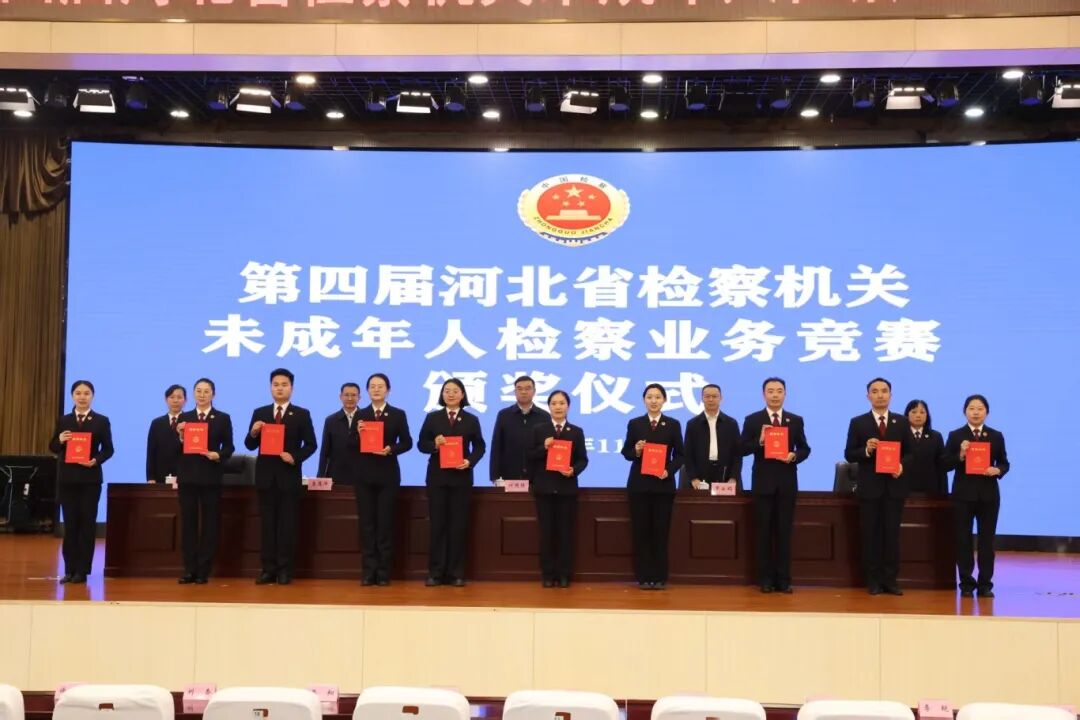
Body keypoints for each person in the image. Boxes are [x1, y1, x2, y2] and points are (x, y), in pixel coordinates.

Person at [243, 368, 317, 585]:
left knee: (287, 526)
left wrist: (294, 457)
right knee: (267, 526)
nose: (279, 388)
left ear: (291, 388)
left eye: (284, 385)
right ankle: (268, 570)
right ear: (270, 387)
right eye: (276, 384)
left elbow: (311, 444)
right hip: (266, 478)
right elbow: (249, 445)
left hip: (288, 478)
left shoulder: (301, 414)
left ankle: (285, 570)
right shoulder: (260, 412)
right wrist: (253, 432)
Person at [844, 377, 913, 596]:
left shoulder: (902, 422)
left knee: (892, 536)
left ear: (891, 395)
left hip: (894, 487)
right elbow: (849, 453)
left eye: (884, 391)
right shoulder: (858, 422)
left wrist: (901, 465)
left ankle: (890, 580)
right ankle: (873, 580)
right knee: (871, 536)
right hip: (870, 489)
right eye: (875, 391)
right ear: (868, 396)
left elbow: (911, 453)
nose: (880, 395)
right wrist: (866, 450)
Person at [741, 377, 811, 594]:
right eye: (770, 391)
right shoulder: (753, 420)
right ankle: (765, 579)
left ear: (785, 394)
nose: (775, 395)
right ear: (764, 394)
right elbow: (741, 449)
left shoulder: (795, 420)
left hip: (787, 483)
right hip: (763, 484)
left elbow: (805, 448)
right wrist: (760, 441)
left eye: (779, 391)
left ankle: (783, 580)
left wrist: (794, 456)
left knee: (783, 533)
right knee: (763, 532)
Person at [417, 378, 486, 587]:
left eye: (455, 391)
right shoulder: (432, 418)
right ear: (442, 394)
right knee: (437, 525)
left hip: (461, 478)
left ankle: (456, 573)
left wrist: (470, 461)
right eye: (447, 390)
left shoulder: (471, 420)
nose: (451, 394)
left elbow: (480, 447)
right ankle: (435, 573)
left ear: (462, 394)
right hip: (437, 478)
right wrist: (434, 445)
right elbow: (421, 444)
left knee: (458, 526)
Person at [48, 380, 114, 584]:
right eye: (78, 393)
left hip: (90, 481)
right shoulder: (64, 420)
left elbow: (109, 449)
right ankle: (69, 569)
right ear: (72, 396)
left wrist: (96, 460)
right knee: (70, 525)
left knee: (86, 525)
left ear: (92, 396)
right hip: (67, 480)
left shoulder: (101, 421)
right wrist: (60, 440)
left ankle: (82, 570)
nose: (82, 397)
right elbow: (53, 447)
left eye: (86, 393)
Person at [944, 394, 1010, 598]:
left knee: (986, 542)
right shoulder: (956, 435)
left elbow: (1005, 463)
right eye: (971, 408)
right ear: (965, 412)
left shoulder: (996, 436)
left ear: (986, 412)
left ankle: (985, 584)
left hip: (988, 496)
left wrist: (997, 470)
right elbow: (945, 464)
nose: (975, 412)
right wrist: (961, 454)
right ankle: (966, 583)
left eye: (980, 408)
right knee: (963, 540)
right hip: (963, 496)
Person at [621, 383, 685, 590]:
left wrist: (669, 470)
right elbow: (626, 453)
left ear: (664, 400)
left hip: (663, 485)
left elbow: (681, 455)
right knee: (641, 531)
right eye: (649, 397)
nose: (654, 401)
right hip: (639, 486)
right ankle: (643, 577)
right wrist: (636, 451)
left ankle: (659, 577)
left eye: (658, 397)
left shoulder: (673, 424)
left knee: (660, 531)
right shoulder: (635, 423)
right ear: (644, 400)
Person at [354, 373, 413, 586]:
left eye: (380, 386)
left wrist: (391, 449)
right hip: (364, 476)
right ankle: (368, 571)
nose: (376, 389)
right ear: (367, 391)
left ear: (388, 390)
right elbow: (349, 445)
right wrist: (357, 433)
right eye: (372, 386)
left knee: (385, 524)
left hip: (387, 475)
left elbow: (407, 442)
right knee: (367, 525)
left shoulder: (397, 414)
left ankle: (383, 573)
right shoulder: (360, 414)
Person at [175, 378, 234, 584]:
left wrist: (218, 455)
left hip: (211, 478)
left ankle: (204, 570)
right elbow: (175, 449)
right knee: (188, 524)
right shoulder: (184, 418)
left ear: (213, 395)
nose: (202, 395)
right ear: (193, 394)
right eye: (198, 391)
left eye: (206, 391)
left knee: (210, 525)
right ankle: (190, 569)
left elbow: (229, 448)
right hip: (188, 478)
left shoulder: (222, 418)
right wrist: (181, 437)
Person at [528, 389, 588, 588]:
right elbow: (529, 456)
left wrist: (573, 470)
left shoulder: (576, 431)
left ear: (568, 406)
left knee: (565, 533)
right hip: (544, 489)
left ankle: (564, 574)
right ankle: (547, 574)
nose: (558, 407)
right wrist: (543, 448)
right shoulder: (539, 430)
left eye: (562, 403)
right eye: (554, 403)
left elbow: (583, 460)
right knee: (546, 533)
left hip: (566, 489)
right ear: (549, 407)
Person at [680, 383, 742, 491]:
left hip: (724, 474)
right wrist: (694, 478)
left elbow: (737, 454)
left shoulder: (731, 423)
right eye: (707, 396)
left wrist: (733, 478)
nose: (711, 399)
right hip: (700, 476)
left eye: (714, 396)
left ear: (721, 398)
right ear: (702, 398)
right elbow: (688, 454)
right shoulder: (693, 424)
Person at [489, 375, 550, 485]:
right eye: (519, 389)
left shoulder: (544, 416)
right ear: (514, 392)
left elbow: (547, 449)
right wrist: (495, 476)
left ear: (534, 391)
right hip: (509, 476)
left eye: (528, 388)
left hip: (537, 478)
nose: (523, 392)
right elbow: (496, 446)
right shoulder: (504, 415)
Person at [317, 382, 363, 488]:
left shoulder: (367, 418)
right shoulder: (331, 420)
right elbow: (325, 452)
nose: (350, 398)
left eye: (353, 395)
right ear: (340, 397)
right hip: (336, 475)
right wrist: (320, 477)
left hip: (361, 475)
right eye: (346, 395)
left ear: (359, 397)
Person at [904, 399, 948, 495]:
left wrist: (943, 492)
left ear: (927, 415)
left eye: (922, 412)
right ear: (907, 414)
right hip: (904, 488)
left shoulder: (936, 436)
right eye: (914, 412)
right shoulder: (900, 435)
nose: (918, 415)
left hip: (930, 490)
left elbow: (941, 466)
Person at [146, 384, 186, 483]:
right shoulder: (156, 423)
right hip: (161, 476)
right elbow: (151, 452)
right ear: (166, 399)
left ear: (185, 400)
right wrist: (150, 477)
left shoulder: (190, 421)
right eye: (172, 397)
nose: (175, 400)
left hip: (185, 476)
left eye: (179, 397)